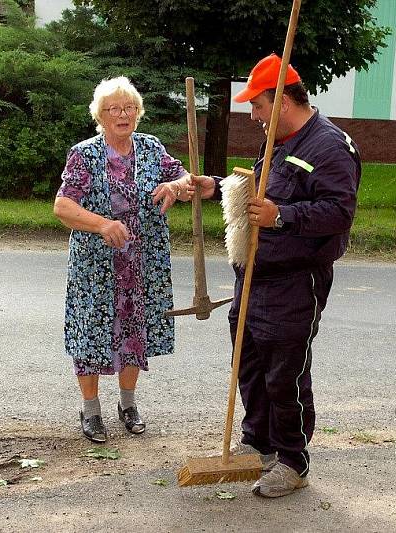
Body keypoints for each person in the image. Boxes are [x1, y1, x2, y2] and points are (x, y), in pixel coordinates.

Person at [193, 54, 361, 498]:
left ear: (284, 101)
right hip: (253, 276)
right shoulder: (279, 140)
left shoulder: (329, 147)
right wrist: (212, 185)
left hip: (295, 280)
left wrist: (282, 216)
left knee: (284, 373)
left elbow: (340, 213)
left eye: (259, 106)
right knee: (249, 365)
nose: (254, 116)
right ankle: (259, 443)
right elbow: (254, 192)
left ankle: (291, 460)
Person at [53, 76, 193, 443]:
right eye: (114, 109)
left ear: (138, 113)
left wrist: (175, 186)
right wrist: (101, 225)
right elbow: (62, 206)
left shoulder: (150, 149)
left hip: (142, 261)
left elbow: (183, 176)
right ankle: (91, 409)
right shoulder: (84, 154)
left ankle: (128, 405)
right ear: (99, 115)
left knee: (135, 331)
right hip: (96, 266)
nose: (123, 114)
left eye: (129, 107)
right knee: (91, 332)